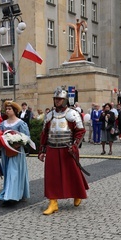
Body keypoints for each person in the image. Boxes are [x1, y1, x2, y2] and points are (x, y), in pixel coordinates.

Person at [38, 87, 88, 215]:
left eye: (60, 99)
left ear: (65, 100)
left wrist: (75, 145)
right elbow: (45, 134)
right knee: (52, 177)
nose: (57, 101)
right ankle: (53, 202)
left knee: (72, 174)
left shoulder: (73, 113)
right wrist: (42, 150)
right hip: (52, 149)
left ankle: (77, 194)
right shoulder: (49, 115)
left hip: (68, 149)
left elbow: (80, 131)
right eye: (56, 99)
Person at [0, 101, 31, 204]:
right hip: (6, 152)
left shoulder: (21, 123)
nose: (7, 111)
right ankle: (11, 192)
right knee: (8, 172)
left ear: (15, 111)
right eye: (6, 109)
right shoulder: (3, 124)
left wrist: (18, 142)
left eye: (10, 109)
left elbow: (27, 137)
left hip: (16, 152)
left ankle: (10, 197)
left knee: (14, 172)